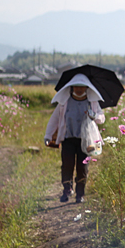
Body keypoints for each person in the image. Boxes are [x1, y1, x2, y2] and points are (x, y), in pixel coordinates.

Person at [45, 74, 105, 203]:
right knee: (67, 165)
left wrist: (94, 115)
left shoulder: (92, 102)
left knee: (83, 167)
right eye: (76, 87)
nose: (79, 89)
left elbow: (101, 118)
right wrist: (48, 136)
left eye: (82, 87)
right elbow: (54, 120)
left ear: (87, 88)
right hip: (68, 139)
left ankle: (80, 194)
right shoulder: (64, 102)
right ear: (71, 88)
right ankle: (67, 190)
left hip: (86, 140)